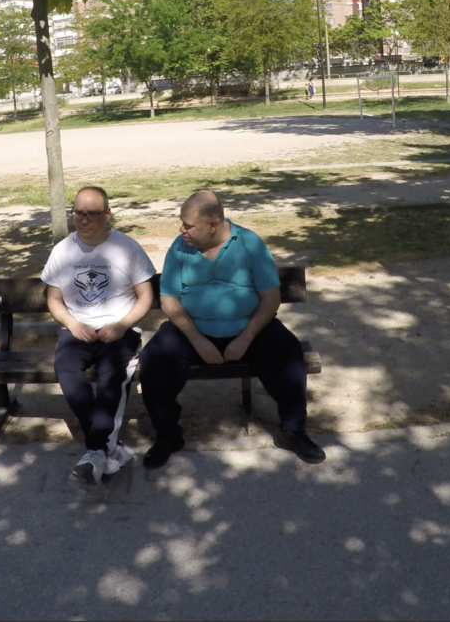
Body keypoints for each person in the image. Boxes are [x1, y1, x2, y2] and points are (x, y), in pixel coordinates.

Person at [139, 190, 326, 469]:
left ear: (212, 224)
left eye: (188, 225)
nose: (181, 230)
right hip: (193, 331)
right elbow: (169, 300)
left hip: (248, 329)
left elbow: (270, 298)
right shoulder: (180, 247)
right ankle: (167, 435)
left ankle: (294, 431)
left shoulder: (250, 244)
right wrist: (198, 340)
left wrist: (245, 338)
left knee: (288, 350)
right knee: (153, 359)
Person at [42, 186, 156, 484]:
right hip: (76, 330)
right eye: (78, 213)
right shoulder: (62, 250)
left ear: (107, 214)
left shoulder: (127, 248)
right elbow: (53, 299)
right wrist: (71, 322)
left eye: (91, 214)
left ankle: (95, 451)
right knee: (66, 371)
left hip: (118, 331)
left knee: (111, 377)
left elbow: (146, 296)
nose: (84, 220)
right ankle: (107, 450)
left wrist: (122, 324)